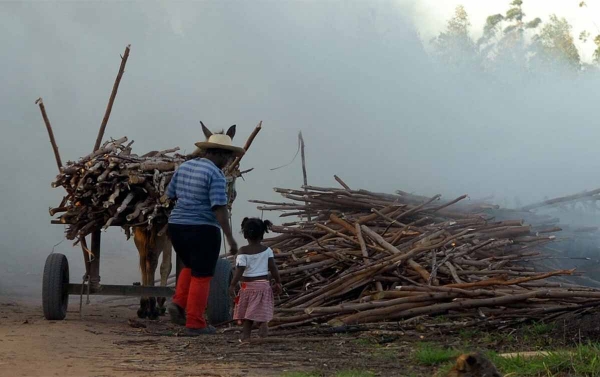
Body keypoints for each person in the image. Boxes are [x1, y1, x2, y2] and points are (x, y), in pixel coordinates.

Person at [166, 126, 244, 336]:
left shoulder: (184, 167)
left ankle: (179, 303)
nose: (228, 160)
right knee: (203, 275)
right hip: (202, 229)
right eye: (227, 156)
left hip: (176, 227)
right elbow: (218, 208)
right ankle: (196, 322)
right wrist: (229, 236)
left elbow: (170, 194)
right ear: (216, 153)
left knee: (190, 266)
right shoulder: (216, 175)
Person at [229, 217, 282, 340]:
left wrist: (232, 285)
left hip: (247, 287)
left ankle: (246, 337)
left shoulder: (242, 251)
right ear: (262, 234)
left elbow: (239, 270)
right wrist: (278, 282)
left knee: (248, 315)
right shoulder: (267, 250)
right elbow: (273, 268)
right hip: (263, 285)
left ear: (245, 235)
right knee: (261, 310)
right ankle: (263, 323)